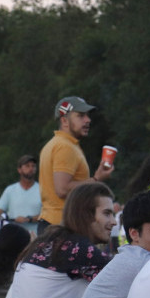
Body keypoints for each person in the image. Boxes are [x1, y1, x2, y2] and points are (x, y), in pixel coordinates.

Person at [37, 96, 114, 234]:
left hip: (54, 224)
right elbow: (62, 189)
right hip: (62, 227)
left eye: (87, 115)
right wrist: (96, 179)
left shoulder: (56, 144)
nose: (88, 120)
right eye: (81, 116)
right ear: (64, 121)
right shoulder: (65, 147)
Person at [0, 154, 42, 236]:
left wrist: (29, 219)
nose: (31, 169)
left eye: (33, 166)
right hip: (14, 236)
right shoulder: (10, 190)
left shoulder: (42, 189)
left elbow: (46, 215)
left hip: (36, 236)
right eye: (27, 166)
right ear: (19, 170)